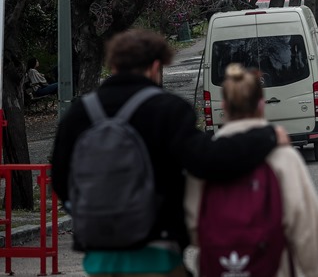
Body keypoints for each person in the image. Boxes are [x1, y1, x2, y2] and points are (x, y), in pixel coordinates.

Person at [51, 29, 282, 277]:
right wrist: (266, 135)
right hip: (157, 253)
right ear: (155, 67)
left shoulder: (78, 114)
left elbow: (61, 180)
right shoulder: (168, 110)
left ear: (114, 66)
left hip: (99, 256)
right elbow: (209, 161)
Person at [184, 64, 318, 277]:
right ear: (261, 104)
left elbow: (193, 226)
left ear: (224, 106)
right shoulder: (282, 158)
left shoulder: (205, 158)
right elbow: (306, 229)